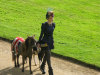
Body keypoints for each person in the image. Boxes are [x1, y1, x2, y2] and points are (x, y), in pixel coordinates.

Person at [37, 10, 55, 75]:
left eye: (52, 17)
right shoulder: (44, 25)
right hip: (44, 42)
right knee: (48, 55)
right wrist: (39, 42)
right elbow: (41, 34)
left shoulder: (53, 25)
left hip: (50, 42)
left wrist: (52, 41)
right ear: (47, 18)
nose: (52, 19)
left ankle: (42, 66)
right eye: (50, 18)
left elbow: (51, 34)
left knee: (47, 55)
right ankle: (50, 71)